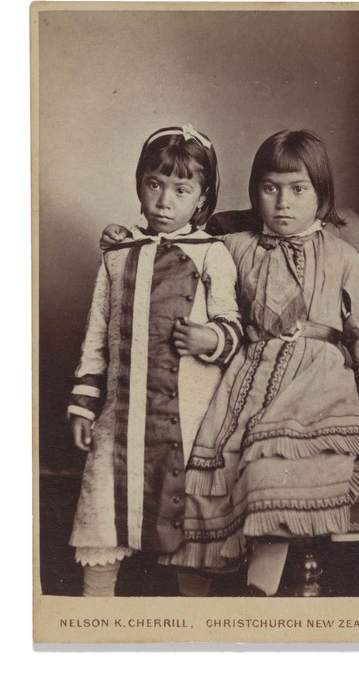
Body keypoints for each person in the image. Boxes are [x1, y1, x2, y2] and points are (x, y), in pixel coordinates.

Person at [100, 129, 359, 596]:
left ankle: (261, 598)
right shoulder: (232, 245)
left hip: (315, 383)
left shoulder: (344, 258)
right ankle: (191, 608)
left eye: (298, 189)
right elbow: (177, 241)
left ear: (321, 195)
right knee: (201, 481)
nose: (282, 203)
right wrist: (126, 239)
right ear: (254, 192)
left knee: (270, 473)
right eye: (269, 188)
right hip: (244, 379)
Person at [68, 124, 242, 597]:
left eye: (181, 190)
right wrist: (84, 404)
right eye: (155, 184)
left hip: (190, 416)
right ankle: (92, 620)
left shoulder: (212, 255)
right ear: (141, 185)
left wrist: (211, 338)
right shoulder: (118, 256)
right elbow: (96, 334)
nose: (165, 201)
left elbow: (233, 324)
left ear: (201, 198)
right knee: (104, 516)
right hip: (122, 418)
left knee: (191, 529)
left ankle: (192, 625)